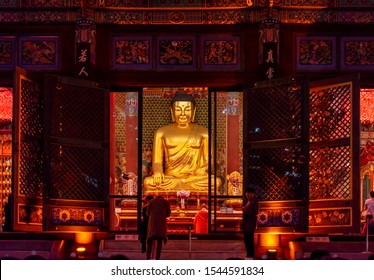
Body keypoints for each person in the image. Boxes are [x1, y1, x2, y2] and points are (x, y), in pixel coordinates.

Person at [143, 93, 221, 194]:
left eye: (187, 109)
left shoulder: (204, 133)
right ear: (172, 111)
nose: (183, 113)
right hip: (170, 178)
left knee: (215, 182)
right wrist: (158, 172)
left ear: (194, 111)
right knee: (149, 182)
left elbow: (209, 161)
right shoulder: (161, 132)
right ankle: (182, 185)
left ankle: (183, 185)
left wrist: (200, 172)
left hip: (194, 178)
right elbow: (157, 161)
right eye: (178, 109)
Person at [146, 195, 171, 260]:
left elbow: (148, 213)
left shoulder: (151, 201)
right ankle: (157, 258)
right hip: (161, 223)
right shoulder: (166, 202)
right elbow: (168, 214)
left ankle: (148, 258)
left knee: (150, 241)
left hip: (152, 223)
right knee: (160, 240)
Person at [241, 187, 258, 260]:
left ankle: (251, 255)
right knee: (246, 239)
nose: (247, 194)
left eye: (249, 193)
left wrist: (245, 210)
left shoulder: (254, 201)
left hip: (250, 224)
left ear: (252, 194)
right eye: (246, 193)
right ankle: (248, 254)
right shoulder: (249, 201)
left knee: (249, 240)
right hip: (247, 224)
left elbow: (254, 212)